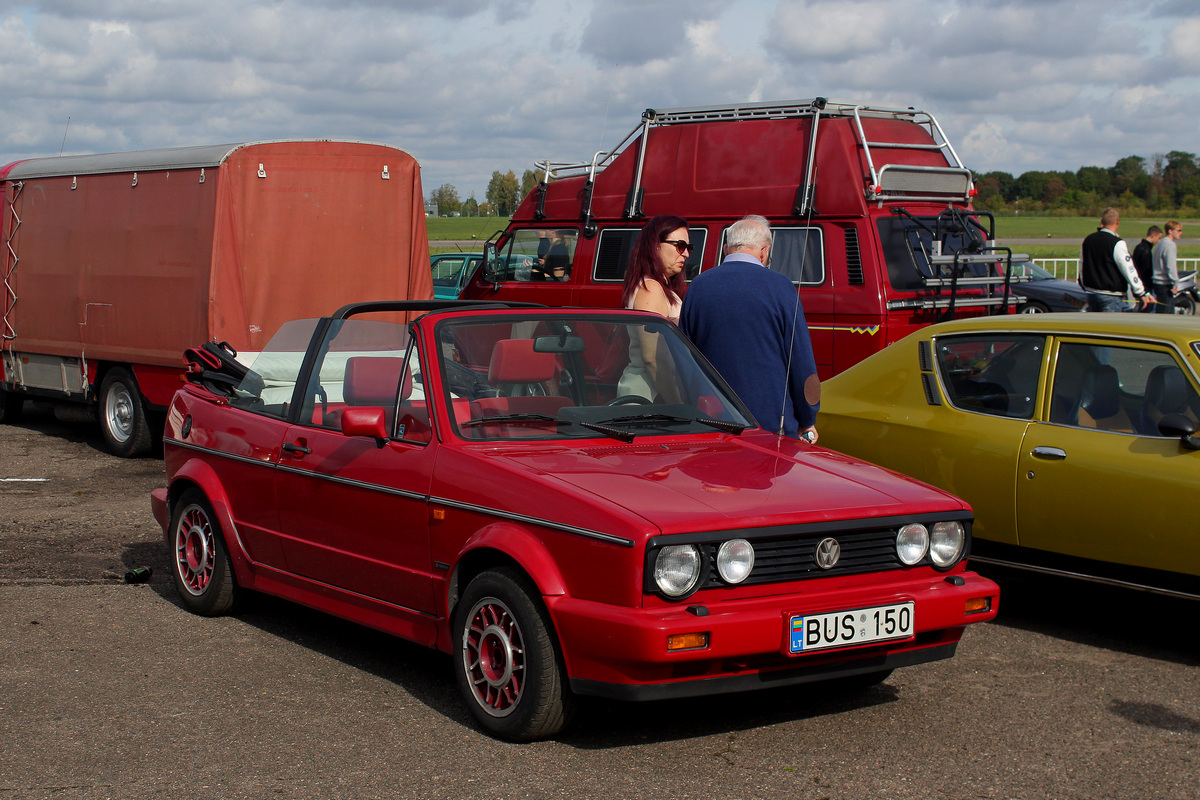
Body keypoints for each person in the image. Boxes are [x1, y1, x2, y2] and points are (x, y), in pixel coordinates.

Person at [680, 215, 819, 441]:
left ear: (726, 249)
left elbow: (685, 358)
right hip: (770, 423)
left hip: (712, 417)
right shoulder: (781, 287)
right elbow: (800, 359)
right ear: (765, 251)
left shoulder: (698, 286)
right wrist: (807, 418)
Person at [616, 214, 690, 399]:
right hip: (651, 396)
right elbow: (653, 358)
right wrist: (677, 403)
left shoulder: (654, 286)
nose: (686, 253)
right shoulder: (651, 288)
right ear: (655, 245)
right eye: (680, 246)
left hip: (652, 392)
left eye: (689, 247)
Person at [1078, 208, 1152, 312]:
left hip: (1091, 293)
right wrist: (1140, 292)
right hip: (1111, 296)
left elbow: (1082, 265)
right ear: (1117, 221)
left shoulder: (1088, 240)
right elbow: (1128, 269)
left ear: (1102, 222)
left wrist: (1083, 284)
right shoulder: (1117, 243)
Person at [1151, 220, 1183, 314]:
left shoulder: (1161, 243)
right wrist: (1175, 282)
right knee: (1167, 313)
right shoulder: (1170, 245)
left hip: (1157, 283)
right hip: (1164, 284)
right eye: (1178, 230)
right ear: (1170, 231)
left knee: (1160, 310)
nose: (1180, 232)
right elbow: (1171, 266)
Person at [1132, 225, 1163, 313]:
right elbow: (1146, 271)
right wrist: (1146, 290)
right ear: (1153, 236)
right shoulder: (1145, 250)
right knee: (1147, 310)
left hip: (1141, 285)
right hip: (1145, 286)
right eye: (1159, 238)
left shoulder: (1140, 247)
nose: (1159, 241)